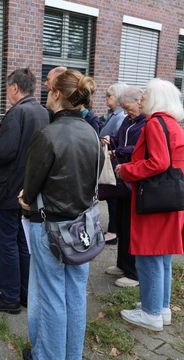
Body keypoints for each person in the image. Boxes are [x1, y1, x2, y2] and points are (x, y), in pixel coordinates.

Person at [20, 70, 103, 360]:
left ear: (56, 94)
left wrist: (25, 198)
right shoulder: (93, 133)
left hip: (51, 228)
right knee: (76, 295)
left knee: (52, 295)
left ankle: (49, 356)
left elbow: (30, 190)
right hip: (83, 228)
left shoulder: (48, 134)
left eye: (49, 89)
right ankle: (72, 355)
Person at [117, 78, 184, 331]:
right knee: (163, 257)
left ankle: (151, 313)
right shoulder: (172, 124)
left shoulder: (155, 123)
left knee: (149, 257)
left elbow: (158, 162)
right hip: (170, 198)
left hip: (154, 200)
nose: (141, 99)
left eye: (145, 96)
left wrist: (126, 170)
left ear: (156, 99)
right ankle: (160, 308)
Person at [0, 68, 49, 314]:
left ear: (14, 88)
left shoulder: (17, 113)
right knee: (22, 241)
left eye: (7, 88)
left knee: (7, 243)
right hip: (27, 188)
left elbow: (5, 151)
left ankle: (9, 297)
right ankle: (24, 293)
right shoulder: (43, 112)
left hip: (8, 188)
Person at [103, 86, 145, 288]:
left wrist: (119, 149)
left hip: (134, 179)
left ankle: (132, 272)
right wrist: (111, 141)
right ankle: (122, 264)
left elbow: (138, 148)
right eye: (124, 108)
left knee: (130, 226)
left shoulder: (146, 123)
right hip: (122, 177)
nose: (126, 112)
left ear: (140, 102)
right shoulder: (129, 121)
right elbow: (119, 138)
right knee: (120, 222)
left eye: (129, 108)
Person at [100, 82, 128, 244]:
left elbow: (119, 139)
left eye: (109, 96)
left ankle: (113, 231)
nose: (106, 99)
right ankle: (113, 229)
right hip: (110, 158)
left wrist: (110, 142)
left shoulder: (120, 116)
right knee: (111, 197)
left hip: (114, 159)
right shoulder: (113, 114)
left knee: (113, 197)